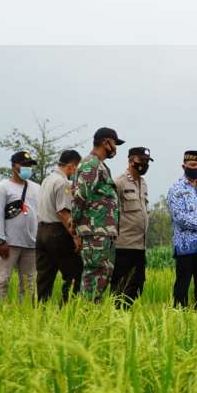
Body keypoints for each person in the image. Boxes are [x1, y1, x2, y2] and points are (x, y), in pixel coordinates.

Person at [72, 127, 123, 302]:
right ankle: (85, 317)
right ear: (105, 142)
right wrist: (75, 227)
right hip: (94, 232)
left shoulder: (101, 166)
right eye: (115, 143)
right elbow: (80, 196)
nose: (116, 148)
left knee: (102, 276)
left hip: (104, 232)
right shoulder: (90, 164)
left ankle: (93, 317)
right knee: (93, 275)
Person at [167, 150, 197, 309]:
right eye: (193, 165)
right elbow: (180, 218)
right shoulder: (176, 189)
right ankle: (179, 319)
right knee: (182, 287)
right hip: (185, 247)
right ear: (184, 166)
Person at [0, 151, 40, 303]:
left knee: (29, 282)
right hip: (9, 244)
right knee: (3, 279)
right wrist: (0, 240)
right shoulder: (3, 188)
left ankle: (26, 314)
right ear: (13, 166)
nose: (27, 168)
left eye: (29, 165)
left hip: (31, 244)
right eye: (23, 165)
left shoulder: (36, 188)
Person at [35, 149, 82, 303]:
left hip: (42, 231)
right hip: (57, 232)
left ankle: (41, 310)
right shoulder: (62, 183)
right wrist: (75, 236)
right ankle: (68, 308)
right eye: (77, 168)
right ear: (72, 166)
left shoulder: (47, 180)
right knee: (75, 272)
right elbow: (63, 213)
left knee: (44, 277)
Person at [111, 146, 152, 307]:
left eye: (147, 161)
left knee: (137, 285)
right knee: (121, 286)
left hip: (140, 246)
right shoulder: (119, 182)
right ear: (130, 160)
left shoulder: (144, 183)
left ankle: (127, 315)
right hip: (123, 245)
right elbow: (112, 212)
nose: (144, 164)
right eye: (141, 160)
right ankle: (117, 315)